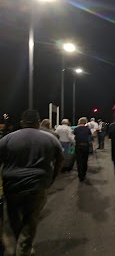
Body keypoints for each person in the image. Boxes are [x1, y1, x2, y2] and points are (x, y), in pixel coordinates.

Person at [0, 109, 63, 256]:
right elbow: (60, 159)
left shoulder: (7, 139)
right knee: (30, 220)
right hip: (38, 185)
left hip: (12, 186)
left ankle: (21, 247)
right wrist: (52, 178)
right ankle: (23, 250)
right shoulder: (50, 138)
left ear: (22, 123)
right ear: (37, 123)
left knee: (14, 218)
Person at [73, 117, 92, 182]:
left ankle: (80, 175)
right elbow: (90, 135)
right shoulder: (87, 129)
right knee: (85, 160)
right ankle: (84, 173)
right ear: (85, 122)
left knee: (79, 161)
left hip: (78, 146)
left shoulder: (76, 129)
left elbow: (74, 135)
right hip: (85, 146)